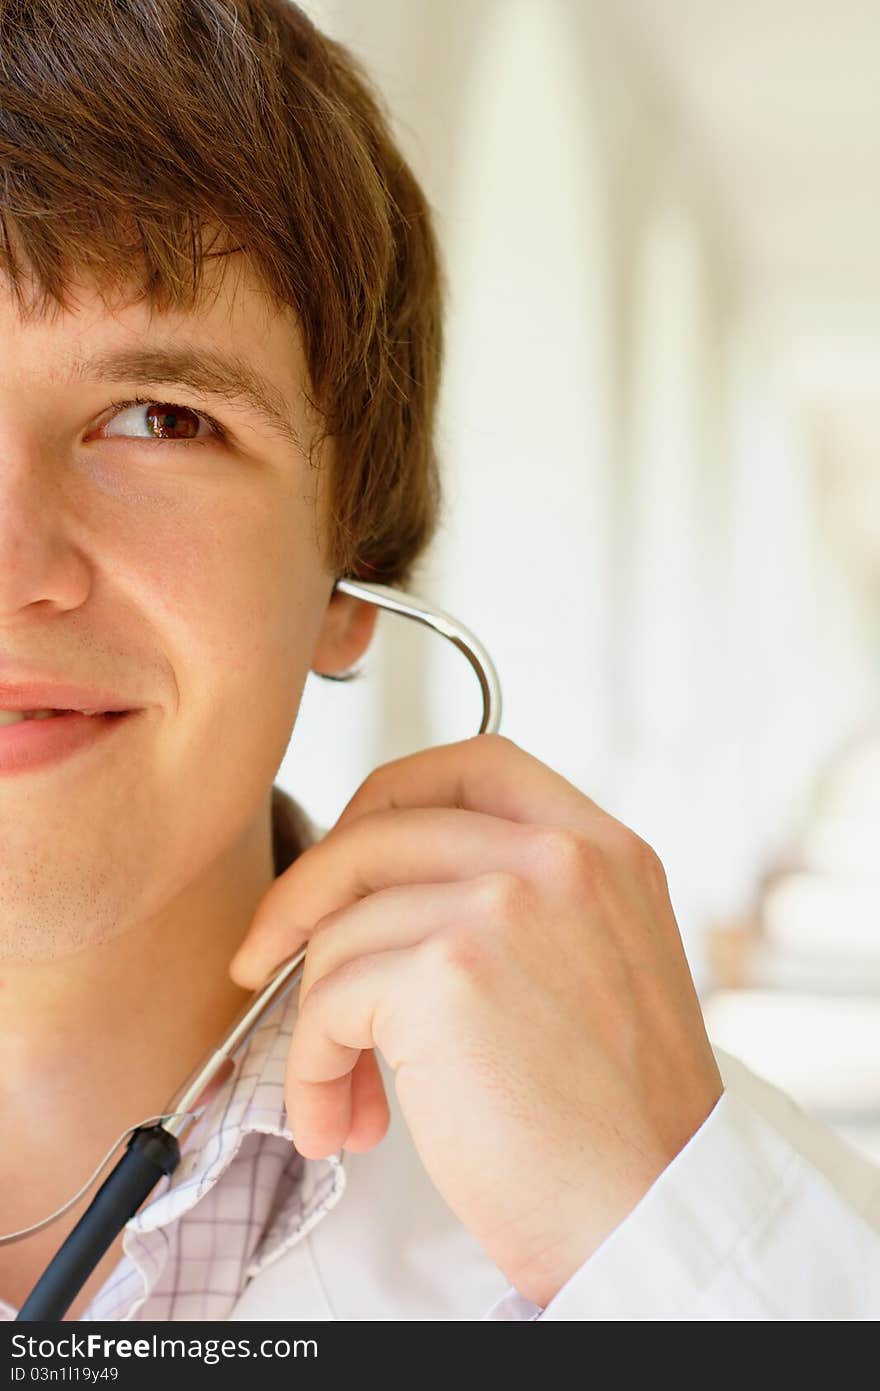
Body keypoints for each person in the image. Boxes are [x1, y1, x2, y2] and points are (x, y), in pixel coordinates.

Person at [0, 0, 876, 1323]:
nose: (17, 564)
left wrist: (671, 1256)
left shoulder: (662, 1220)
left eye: (156, 418)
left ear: (356, 574)